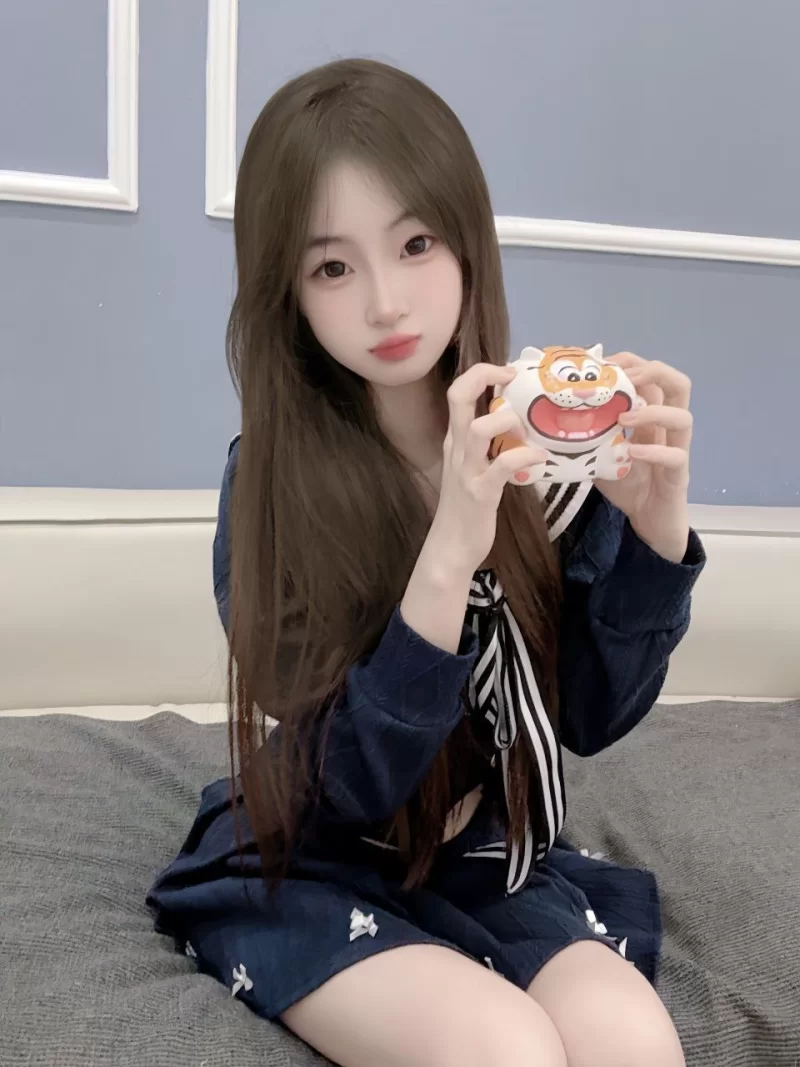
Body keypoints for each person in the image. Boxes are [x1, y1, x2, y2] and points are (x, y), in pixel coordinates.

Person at [148, 58, 705, 1067]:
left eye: (414, 244)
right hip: (314, 852)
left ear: (465, 240)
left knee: (634, 1042)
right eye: (333, 268)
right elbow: (348, 783)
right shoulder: (269, 482)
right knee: (504, 1048)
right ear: (288, 293)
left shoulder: (541, 448)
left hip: (484, 854)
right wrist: (449, 548)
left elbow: (587, 716)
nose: (386, 302)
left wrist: (654, 535)